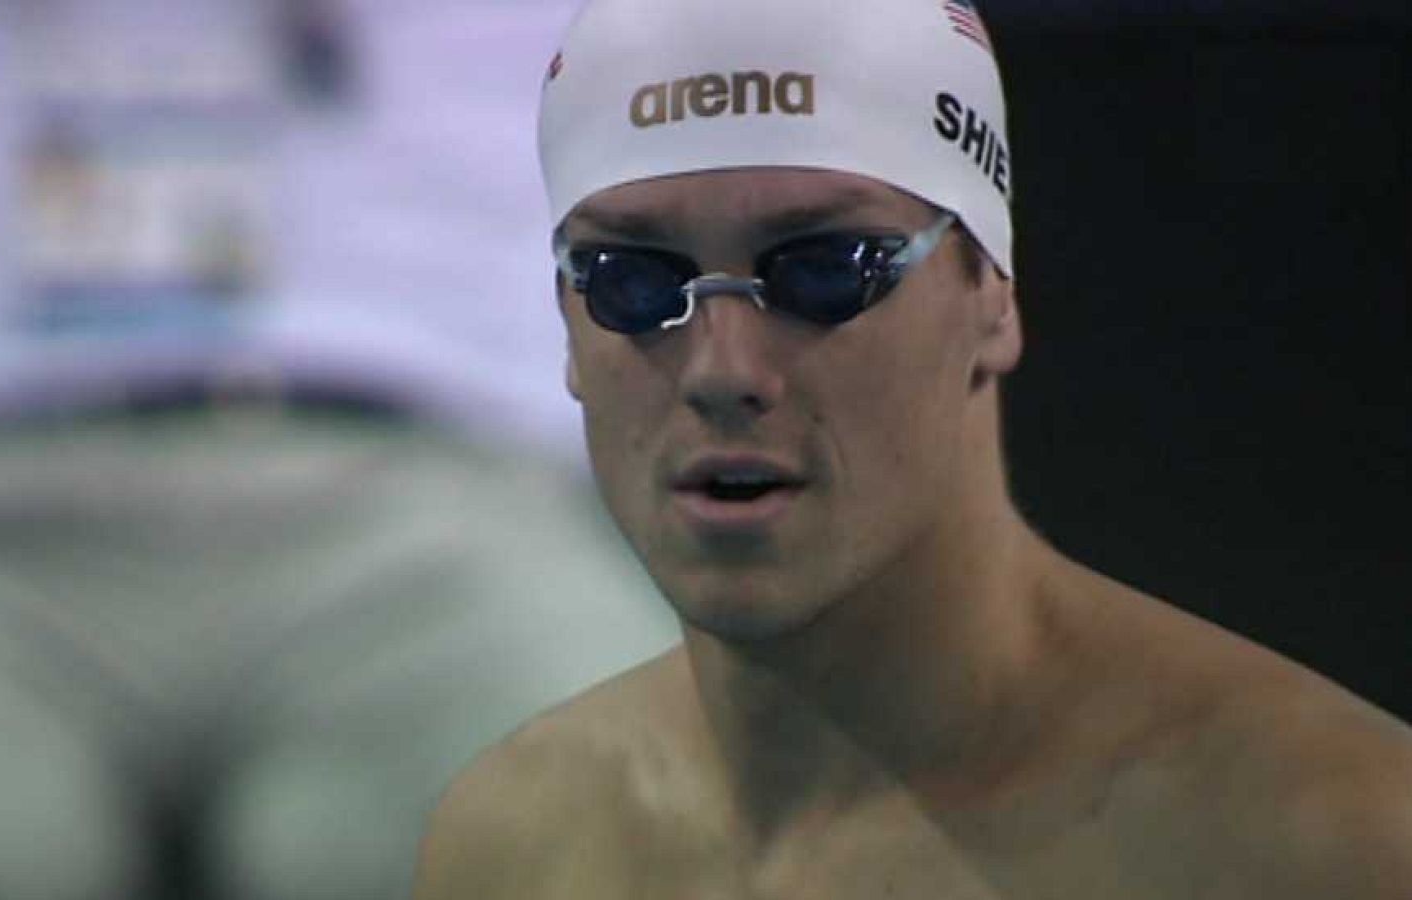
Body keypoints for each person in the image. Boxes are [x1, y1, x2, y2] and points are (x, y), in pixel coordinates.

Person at [412, 0, 1412, 897]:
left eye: (824, 272)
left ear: (992, 293)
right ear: (565, 321)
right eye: (631, 280)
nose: (722, 367)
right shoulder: (515, 841)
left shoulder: (1325, 840)